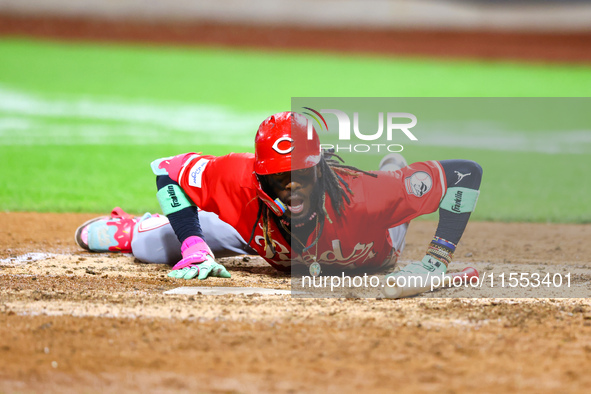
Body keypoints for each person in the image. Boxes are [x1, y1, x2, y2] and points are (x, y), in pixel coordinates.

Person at [75, 111, 482, 292]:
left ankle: (394, 169)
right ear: (259, 176)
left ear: (319, 170)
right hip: (259, 233)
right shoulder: (240, 180)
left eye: (302, 175)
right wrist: (194, 246)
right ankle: (131, 228)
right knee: (151, 247)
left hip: (373, 242)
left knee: (393, 212)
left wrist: (436, 259)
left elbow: (466, 172)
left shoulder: (366, 198)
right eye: (279, 178)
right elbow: (167, 169)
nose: (293, 187)